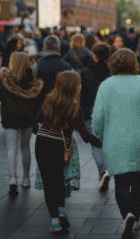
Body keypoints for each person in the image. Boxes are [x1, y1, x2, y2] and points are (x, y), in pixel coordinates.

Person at [92, 48, 140, 239]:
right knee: (138, 180)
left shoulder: (106, 86)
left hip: (115, 140)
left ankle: (127, 214)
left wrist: (99, 135)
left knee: (121, 183)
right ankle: (137, 217)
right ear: (135, 63)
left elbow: (98, 118)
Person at [34, 71, 102, 234]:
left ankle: (55, 222)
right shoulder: (75, 108)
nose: (81, 86)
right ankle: (61, 209)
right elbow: (84, 134)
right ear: (72, 87)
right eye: (78, 84)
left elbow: (35, 120)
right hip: (60, 146)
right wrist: (99, 142)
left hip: (42, 144)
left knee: (48, 183)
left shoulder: (48, 101)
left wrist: (42, 131)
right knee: (58, 180)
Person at [0, 52, 44, 197]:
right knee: (25, 147)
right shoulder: (32, 79)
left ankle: (13, 179)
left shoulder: (5, 79)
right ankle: (26, 178)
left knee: (11, 149)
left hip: (9, 118)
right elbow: (38, 100)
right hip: (27, 118)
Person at [79, 42, 111, 192]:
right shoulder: (112, 72)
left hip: (91, 112)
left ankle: (102, 172)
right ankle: (109, 169)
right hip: (110, 113)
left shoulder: (85, 72)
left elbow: (81, 95)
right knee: (108, 143)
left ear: (94, 56)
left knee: (96, 144)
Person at [32, 35, 72, 102]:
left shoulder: (36, 66)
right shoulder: (68, 67)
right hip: (62, 106)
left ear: (44, 48)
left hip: (41, 106)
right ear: (59, 49)